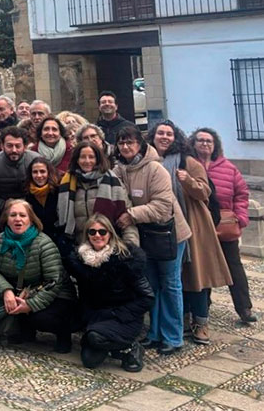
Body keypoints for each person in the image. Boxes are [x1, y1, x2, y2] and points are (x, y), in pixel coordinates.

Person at [150, 121, 230, 345]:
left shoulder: (188, 161)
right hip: (163, 227)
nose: (164, 137)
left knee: (196, 276)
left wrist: (188, 181)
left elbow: (205, 192)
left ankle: (201, 322)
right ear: (153, 137)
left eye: (169, 134)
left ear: (175, 138)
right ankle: (182, 319)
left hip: (192, 224)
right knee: (176, 278)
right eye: (160, 133)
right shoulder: (150, 161)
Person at [113, 125, 190, 355]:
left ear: (140, 144)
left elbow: (163, 206)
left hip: (169, 234)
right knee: (151, 284)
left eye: (130, 142)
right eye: (121, 142)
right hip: (145, 234)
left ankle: (173, 336)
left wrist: (131, 214)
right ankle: (155, 333)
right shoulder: (119, 169)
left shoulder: (156, 169)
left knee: (170, 284)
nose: (125, 146)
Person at [0, 199, 75, 351]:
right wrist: (6, 291)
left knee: (40, 319)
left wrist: (30, 305)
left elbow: (54, 281)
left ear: (31, 219)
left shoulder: (44, 243)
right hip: (21, 291)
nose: (17, 219)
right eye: (13, 215)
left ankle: (63, 333)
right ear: (6, 219)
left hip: (54, 293)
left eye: (22, 215)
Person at [63, 214, 152, 372]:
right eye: (92, 232)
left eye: (102, 232)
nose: (97, 235)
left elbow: (147, 297)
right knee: (89, 361)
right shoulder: (81, 260)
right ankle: (108, 345)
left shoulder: (125, 258)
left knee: (95, 337)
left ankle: (131, 346)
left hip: (123, 317)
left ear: (110, 234)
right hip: (96, 316)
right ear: (87, 235)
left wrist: (118, 313)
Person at [194, 127, 255, 324]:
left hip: (225, 224)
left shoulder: (228, 168)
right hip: (199, 226)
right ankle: (203, 308)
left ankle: (244, 308)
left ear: (215, 145)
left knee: (234, 266)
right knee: (203, 267)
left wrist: (241, 218)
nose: (205, 144)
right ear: (193, 143)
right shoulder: (189, 165)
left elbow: (241, 194)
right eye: (201, 140)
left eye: (208, 141)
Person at [55, 140, 136, 249]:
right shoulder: (67, 184)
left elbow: (126, 219)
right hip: (78, 249)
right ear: (77, 159)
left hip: (111, 248)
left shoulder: (113, 181)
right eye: (82, 157)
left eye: (91, 157)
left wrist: (131, 248)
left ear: (98, 159)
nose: (87, 161)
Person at [0, 127, 40, 226]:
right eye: (9, 146)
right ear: (2, 146)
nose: (14, 150)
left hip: (33, 210)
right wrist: (3, 205)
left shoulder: (36, 160)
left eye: (18, 146)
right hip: (2, 212)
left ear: (25, 146)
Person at [25, 157, 60, 240]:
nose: (39, 175)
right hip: (36, 237)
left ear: (49, 173)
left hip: (58, 236)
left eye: (42, 171)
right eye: (35, 172)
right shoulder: (26, 192)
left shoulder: (58, 190)